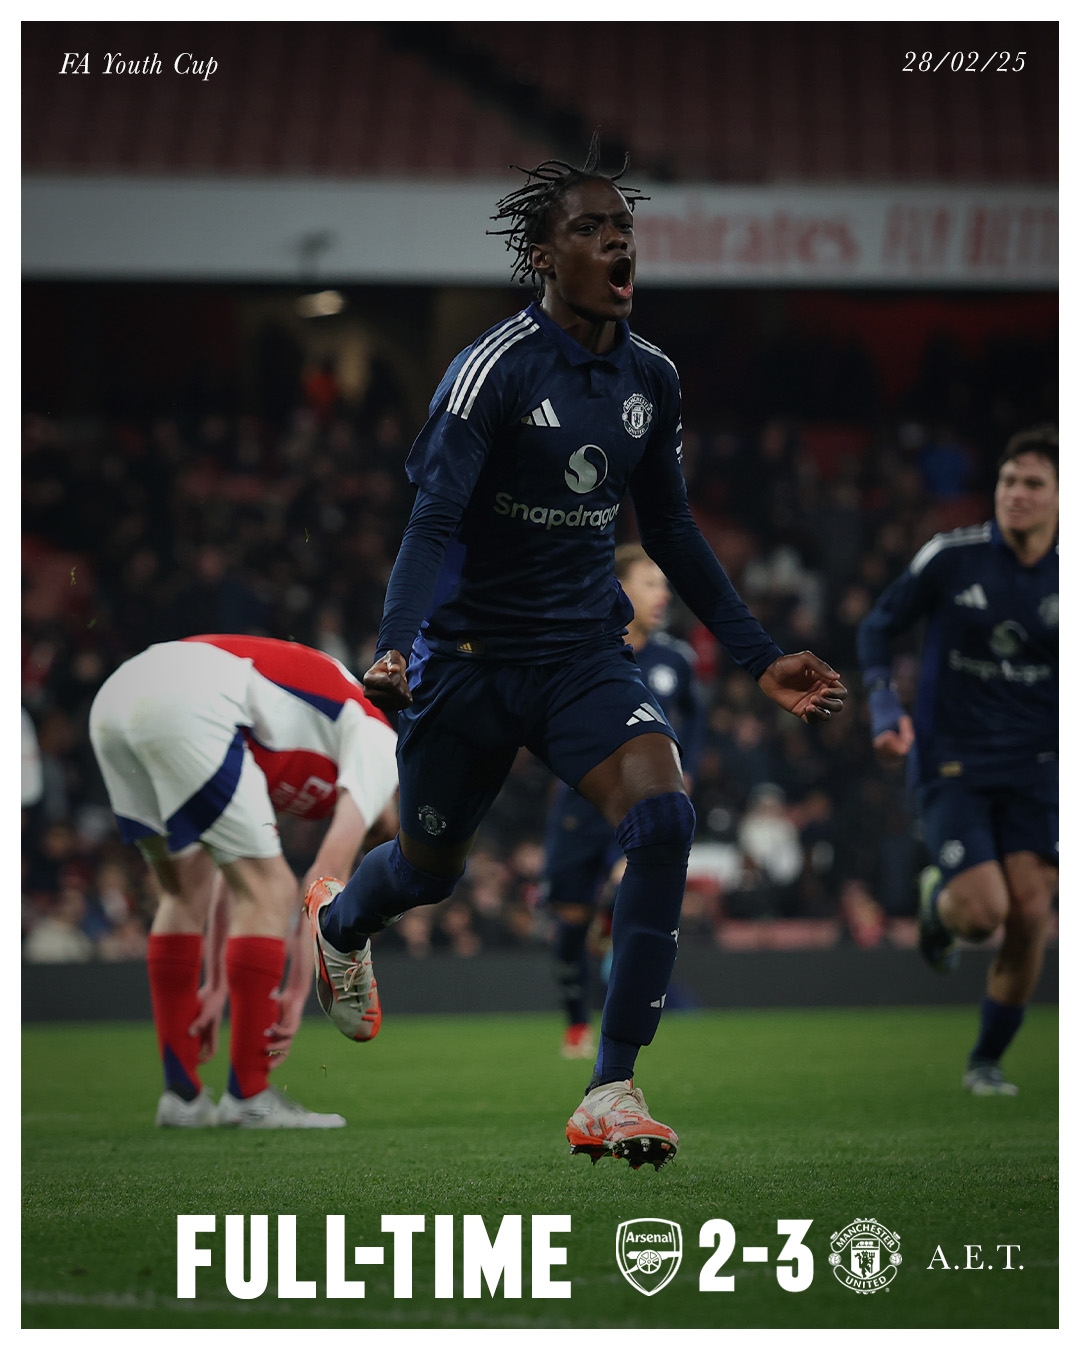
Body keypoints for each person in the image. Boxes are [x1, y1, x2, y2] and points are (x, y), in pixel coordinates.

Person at [304, 138, 846, 1170]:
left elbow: (671, 529)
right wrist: (395, 646)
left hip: (582, 656)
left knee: (664, 814)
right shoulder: (493, 370)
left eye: (623, 227)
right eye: (590, 229)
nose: (616, 242)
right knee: (428, 871)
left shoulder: (653, 378)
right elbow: (432, 523)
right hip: (468, 662)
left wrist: (758, 656)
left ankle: (611, 1087)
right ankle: (341, 927)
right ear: (545, 258)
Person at [88, 634, 398, 1128]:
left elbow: (228, 863)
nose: (372, 841)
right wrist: (296, 993)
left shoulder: (301, 743)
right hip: (189, 700)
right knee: (272, 888)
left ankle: (182, 1097)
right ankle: (249, 1096)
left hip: (120, 697)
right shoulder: (383, 745)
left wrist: (216, 982)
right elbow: (323, 882)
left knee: (182, 890)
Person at [857, 426, 1058, 1096]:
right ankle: (939, 907)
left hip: (1039, 767)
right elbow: (878, 626)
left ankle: (986, 1062)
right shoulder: (952, 556)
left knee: (1031, 914)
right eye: (1009, 480)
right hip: (954, 762)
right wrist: (884, 705)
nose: (1017, 494)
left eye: (1034, 483)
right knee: (982, 915)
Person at [544, 542, 705, 1061]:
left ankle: (621, 1012)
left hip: (638, 804)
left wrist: (684, 770)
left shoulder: (675, 660)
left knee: (628, 882)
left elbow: (694, 720)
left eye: (664, 585)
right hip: (579, 804)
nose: (663, 595)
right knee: (570, 919)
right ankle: (576, 1023)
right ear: (618, 587)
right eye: (650, 583)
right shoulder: (583, 648)